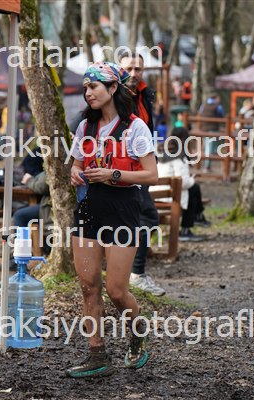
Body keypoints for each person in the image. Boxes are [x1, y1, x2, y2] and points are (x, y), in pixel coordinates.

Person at [66, 62, 158, 378]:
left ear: (113, 88)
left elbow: (151, 174)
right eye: (85, 88)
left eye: (93, 87)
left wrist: (113, 174)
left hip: (123, 209)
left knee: (116, 290)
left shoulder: (135, 127)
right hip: (89, 207)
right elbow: (76, 164)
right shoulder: (85, 127)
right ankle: (97, 355)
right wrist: (76, 172)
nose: (88, 93)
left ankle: (138, 332)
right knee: (88, 286)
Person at [119, 53, 165, 297]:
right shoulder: (113, 94)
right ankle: (134, 274)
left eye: (138, 69)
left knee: (141, 217)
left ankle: (130, 273)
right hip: (120, 167)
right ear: (119, 70)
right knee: (146, 216)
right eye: (128, 68)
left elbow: (148, 131)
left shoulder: (146, 95)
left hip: (141, 168)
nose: (134, 73)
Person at [157, 126, 210, 241]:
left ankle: (198, 216)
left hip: (156, 195)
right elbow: (183, 182)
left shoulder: (161, 152)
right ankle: (191, 224)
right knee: (193, 189)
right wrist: (192, 179)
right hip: (169, 197)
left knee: (193, 189)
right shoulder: (179, 157)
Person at [198, 91, 224, 172]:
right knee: (209, 148)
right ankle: (207, 166)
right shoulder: (218, 106)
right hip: (212, 129)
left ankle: (205, 165)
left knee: (206, 147)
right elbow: (221, 115)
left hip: (204, 129)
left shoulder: (203, 105)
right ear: (215, 98)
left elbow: (199, 113)